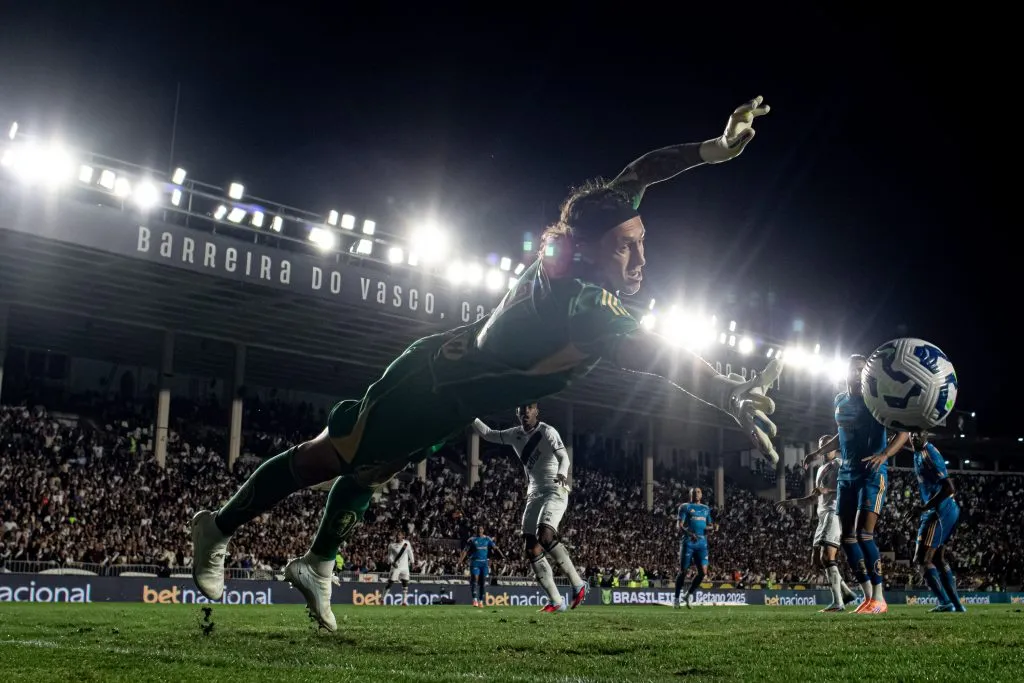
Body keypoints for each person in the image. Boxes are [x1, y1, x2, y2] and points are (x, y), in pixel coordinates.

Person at [191, 96, 781, 631]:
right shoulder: (580, 303)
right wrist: (726, 390)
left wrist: (715, 149)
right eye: (627, 246)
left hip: (455, 397)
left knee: (368, 472)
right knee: (334, 455)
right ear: (591, 249)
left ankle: (317, 564)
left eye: (642, 240)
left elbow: (642, 171)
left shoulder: (588, 241)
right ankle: (216, 528)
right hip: (430, 385)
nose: (640, 257)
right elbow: (661, 356)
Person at [803, 355, 908, 614]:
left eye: (862, 370)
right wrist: (817, 453)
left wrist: (885, 455)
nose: (857, 374)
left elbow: (904, 431)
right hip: (846, 475)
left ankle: (880, 599)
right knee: (848, 538)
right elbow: (841, 434)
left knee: (864, 534)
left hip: (872, 473)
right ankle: (868, 596)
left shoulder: (876, 401)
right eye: (853, 369)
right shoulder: (840, 400)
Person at [474, 404, 583, 612]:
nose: (525, 412)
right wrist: (471, 417)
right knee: (531, 547)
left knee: (545, 536)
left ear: (536, 412)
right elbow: (487, 434)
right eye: (522, 409)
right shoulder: (514, 434)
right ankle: (556, 601)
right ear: (517, 413)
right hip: (533, 494)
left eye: (529, 408)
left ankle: (578, 584)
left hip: (554, 488)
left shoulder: (547, 431)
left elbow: (564, 457)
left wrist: (562, 472)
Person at [779, 434, 857, 611]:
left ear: (833, 448)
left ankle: (838, 603)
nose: (824, 450)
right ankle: (847, 593)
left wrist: (826, 489)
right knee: (816, 559)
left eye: (827, 446)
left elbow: (847, 486)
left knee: (827, 557)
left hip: (834, 512)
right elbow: (812, 498)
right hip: (822, 516)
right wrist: (789, 503)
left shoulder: (839, 464)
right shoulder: (821, 469)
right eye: (822, 447)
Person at [908, 432, 964, 612]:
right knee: (939, 559)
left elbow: (949, 487)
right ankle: (956, 605)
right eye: (911, 434)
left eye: (919, 434)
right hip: (945, 510)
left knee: (922, 559)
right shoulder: (918, 451)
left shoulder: (929, 455)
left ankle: (945, 602)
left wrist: (924, 508)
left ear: (926, 435)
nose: (914, 437)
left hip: (939, 512)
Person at [675, 487, 715, 609]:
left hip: (702, 543)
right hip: (688, 542)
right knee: (683, 571)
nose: (695, 494)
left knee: (703, 573)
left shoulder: (706, 508)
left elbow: (709, 526)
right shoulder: (685, 507)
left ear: (701, 494)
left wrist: (713, 528)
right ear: (690, 494)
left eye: (698, 492)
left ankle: (688, 595)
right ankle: (676, 599)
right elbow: (679, 525)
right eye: (693, 492)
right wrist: (689, 534)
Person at [458, 525, 506, 607]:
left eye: (481, 528)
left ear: (483, 530)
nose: (479, 530)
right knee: (475, 580)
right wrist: (460, 561)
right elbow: (465, 551)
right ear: (475, 530)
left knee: (482, 582)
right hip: (475, 562)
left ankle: (480, 601)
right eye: (478, 529)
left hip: (484, 564)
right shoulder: (472, 540)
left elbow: (495, 547)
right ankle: (474, 600)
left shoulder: (487, 539)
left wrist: (502, 556)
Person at [383, 532, 416, 606]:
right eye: (397, 535)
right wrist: (392, 562)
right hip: (396, 567)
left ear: (403, 536)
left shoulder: (406, 543)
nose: (398, 536)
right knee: (390, 583)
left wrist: (413, 562)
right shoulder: (391, 545)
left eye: (399, 535)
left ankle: (404, 602)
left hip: (405, 567)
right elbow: (389, 556)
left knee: (405, 583)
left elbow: (410, 552)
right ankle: (382, 599)